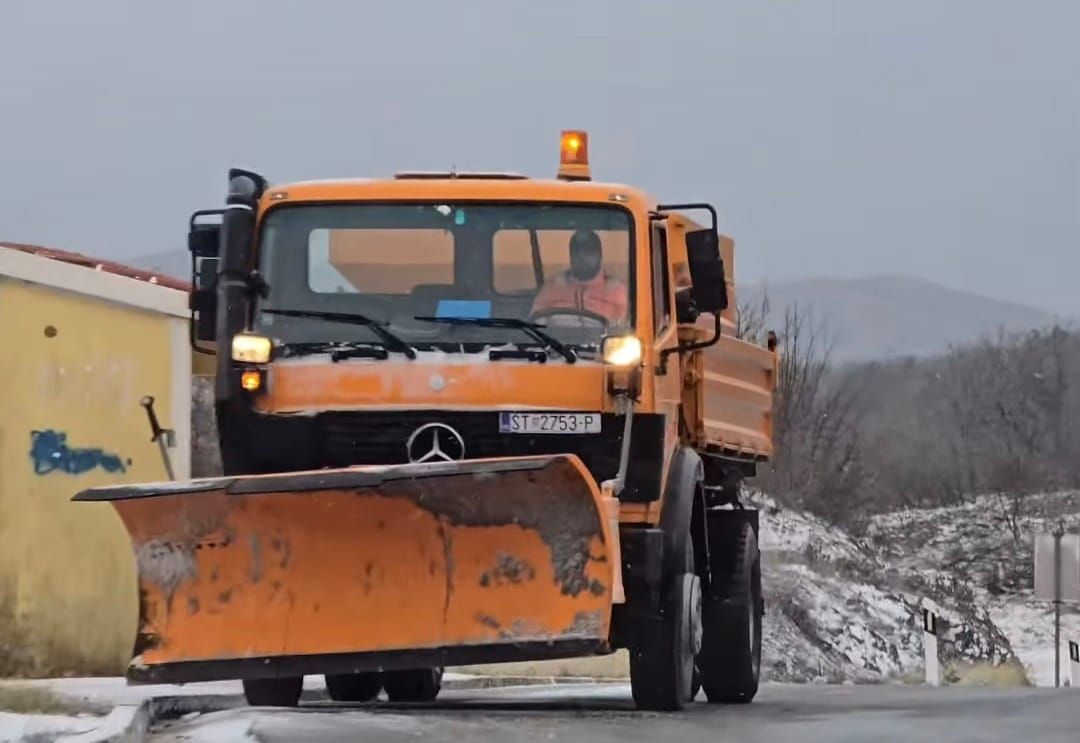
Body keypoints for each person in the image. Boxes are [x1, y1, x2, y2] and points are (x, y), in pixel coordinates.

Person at [530, 229, 628, 325]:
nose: (582, 257)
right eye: (576, 252)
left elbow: (625, 328)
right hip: (555, 339)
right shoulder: (552, 286)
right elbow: (535, 323)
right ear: (570, 256)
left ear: (600, 255)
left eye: (588, 252)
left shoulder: (618, 290)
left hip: (600, 339)